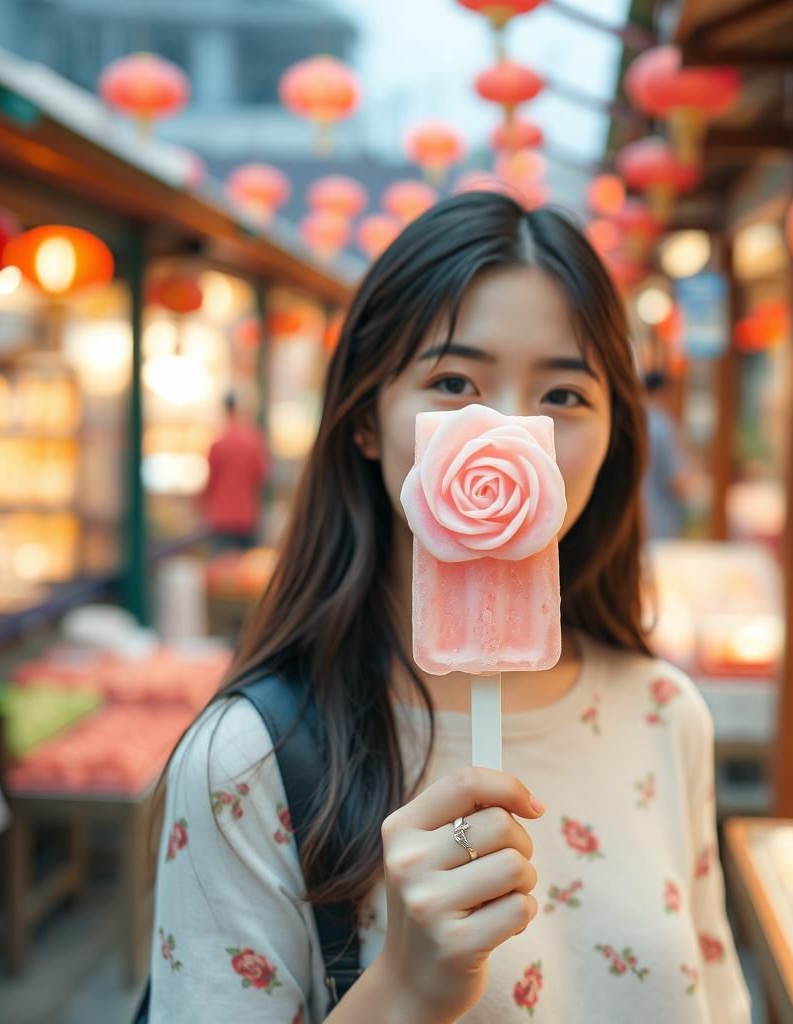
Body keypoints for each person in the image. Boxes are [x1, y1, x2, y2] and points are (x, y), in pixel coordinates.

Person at [150, 193, 751, 1023]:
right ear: (366, 419)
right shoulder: (245, 765)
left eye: (563, 395)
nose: (505, 434)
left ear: (616, 433)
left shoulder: (666, 715)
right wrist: (404, 989)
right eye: (453, 383)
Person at [202, 392, 268, 551]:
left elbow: (211, 481)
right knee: (247, 562)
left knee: (223, 562)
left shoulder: (219, 443)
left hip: (222, 516)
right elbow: (260, 476)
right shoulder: (253, 440)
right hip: (247, 515)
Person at [641, 370, 690, 541]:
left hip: (635, 519)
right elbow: (677, 481)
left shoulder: (633, 423)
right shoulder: (664, 427)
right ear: (663, 392)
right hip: (661, 521)